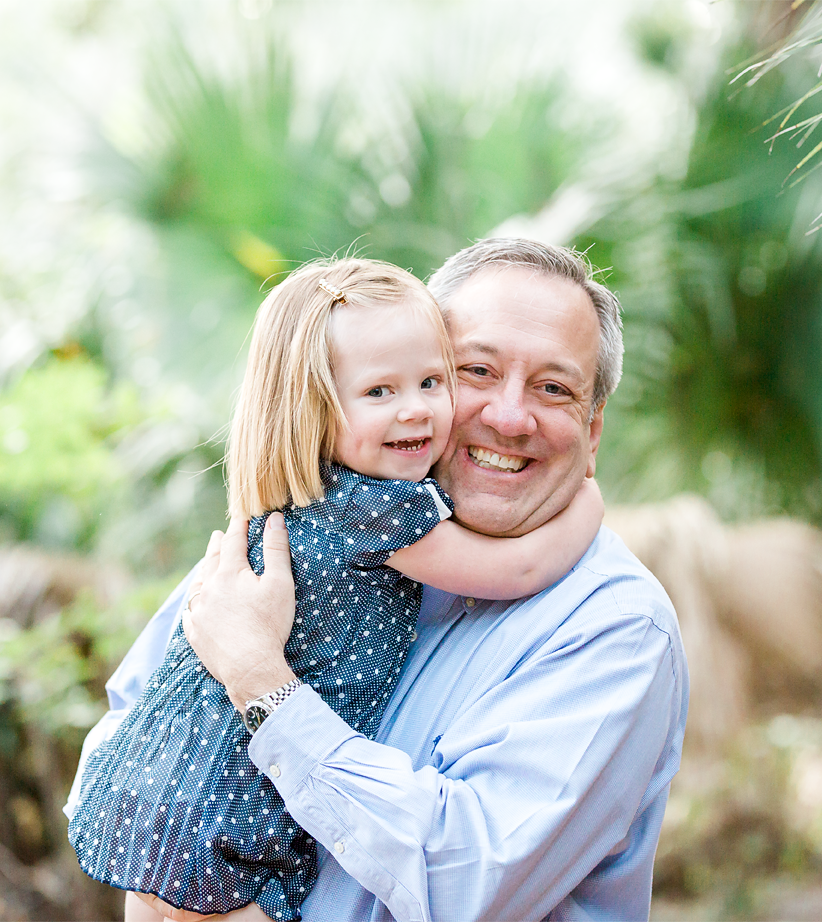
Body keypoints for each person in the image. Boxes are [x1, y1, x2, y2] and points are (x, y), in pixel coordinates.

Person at [70, 238, 690, 922]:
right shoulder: (304, 524)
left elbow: (467, 884)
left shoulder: (618, 629)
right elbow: (128, 719)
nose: (509, 417)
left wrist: (264, 686)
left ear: (593, 431)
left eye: (553, 387)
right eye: (473, 370)